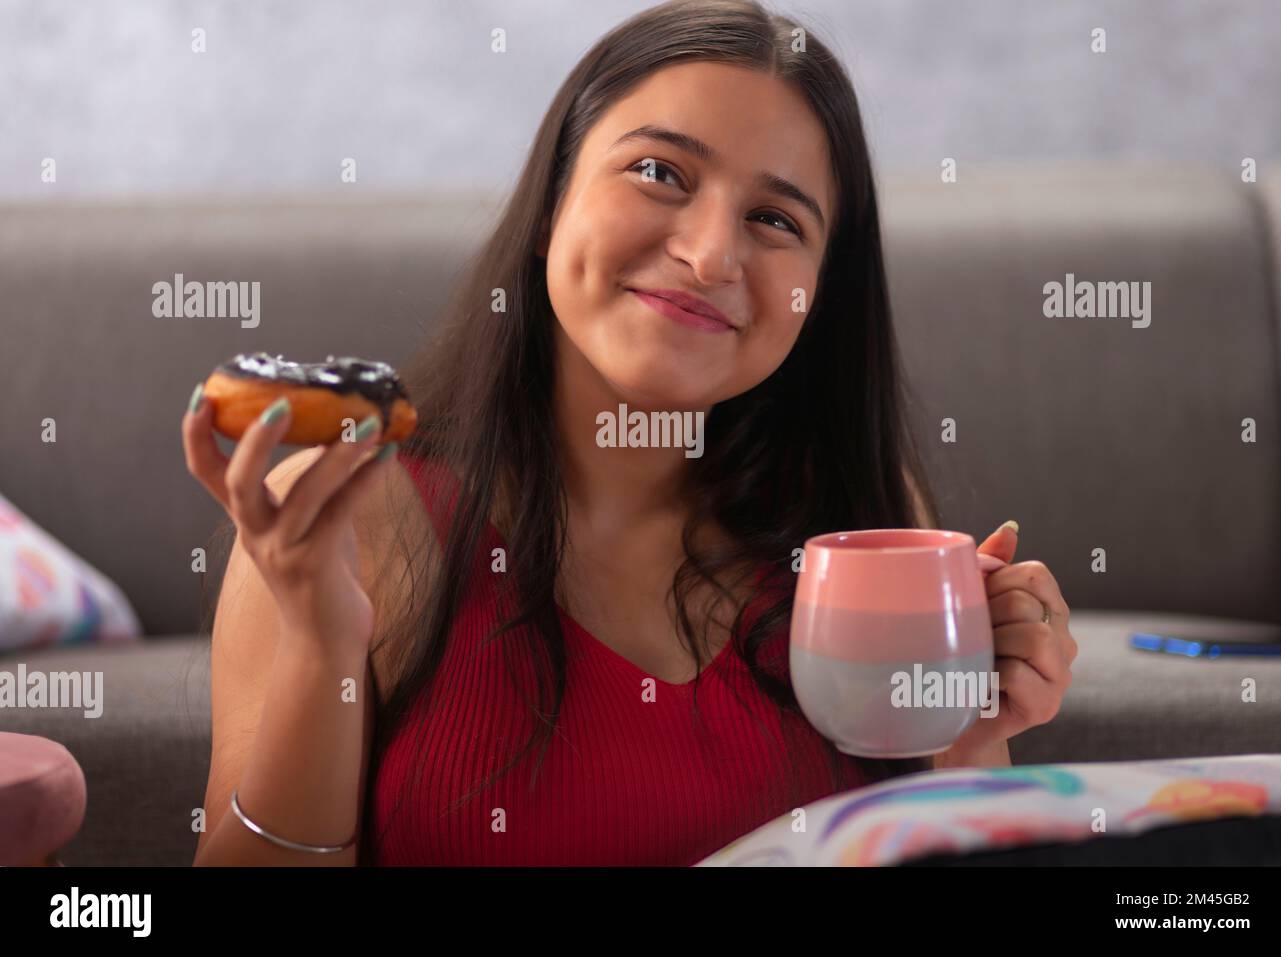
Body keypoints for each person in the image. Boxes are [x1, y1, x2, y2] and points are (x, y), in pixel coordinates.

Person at [184, 0, 1076, 867]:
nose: (711, 254)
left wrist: (968, 739)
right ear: (548, 207)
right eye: (660, 173)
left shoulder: (864, 529)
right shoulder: (343, 507)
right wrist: (320, 646)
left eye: (775, 220)